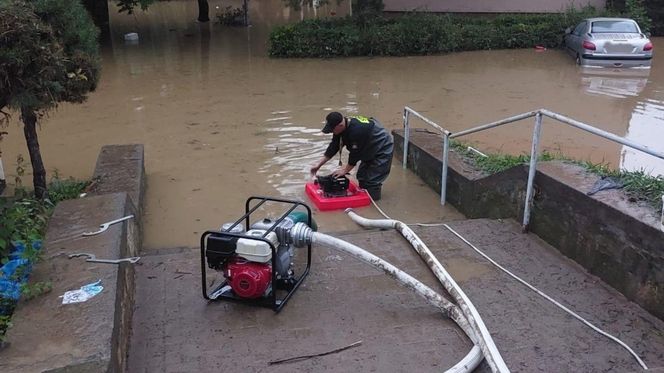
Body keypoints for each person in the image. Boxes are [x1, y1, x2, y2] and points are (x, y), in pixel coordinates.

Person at [310, 111, 394, 201]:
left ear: (340, 126)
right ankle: (365, 197)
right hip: (367, 146)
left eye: (332, 130)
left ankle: (372, 203)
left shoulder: (356, 131)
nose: (332, 132)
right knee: (362, 176)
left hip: (382, 147)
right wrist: (318, 165)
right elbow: (334, 147)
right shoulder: (341, 127)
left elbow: (354, 156)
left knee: (372, 181)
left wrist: (344, 171)